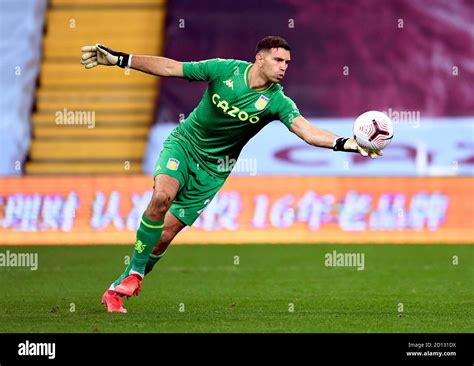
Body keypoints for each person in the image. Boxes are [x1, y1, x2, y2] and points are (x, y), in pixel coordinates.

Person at [80, 36, 382, 313]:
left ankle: (115, 291)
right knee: (162, 195)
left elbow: (307, 131)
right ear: (259, 59)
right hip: (184, 146)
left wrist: (347, 144)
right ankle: (134, 274)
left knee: (163, 239)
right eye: (278, 60)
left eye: (288, 63)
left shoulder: (278, 101)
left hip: (214, 170)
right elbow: (172, 67)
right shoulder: (223, 70)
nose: (284, 67)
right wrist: (121, 59)